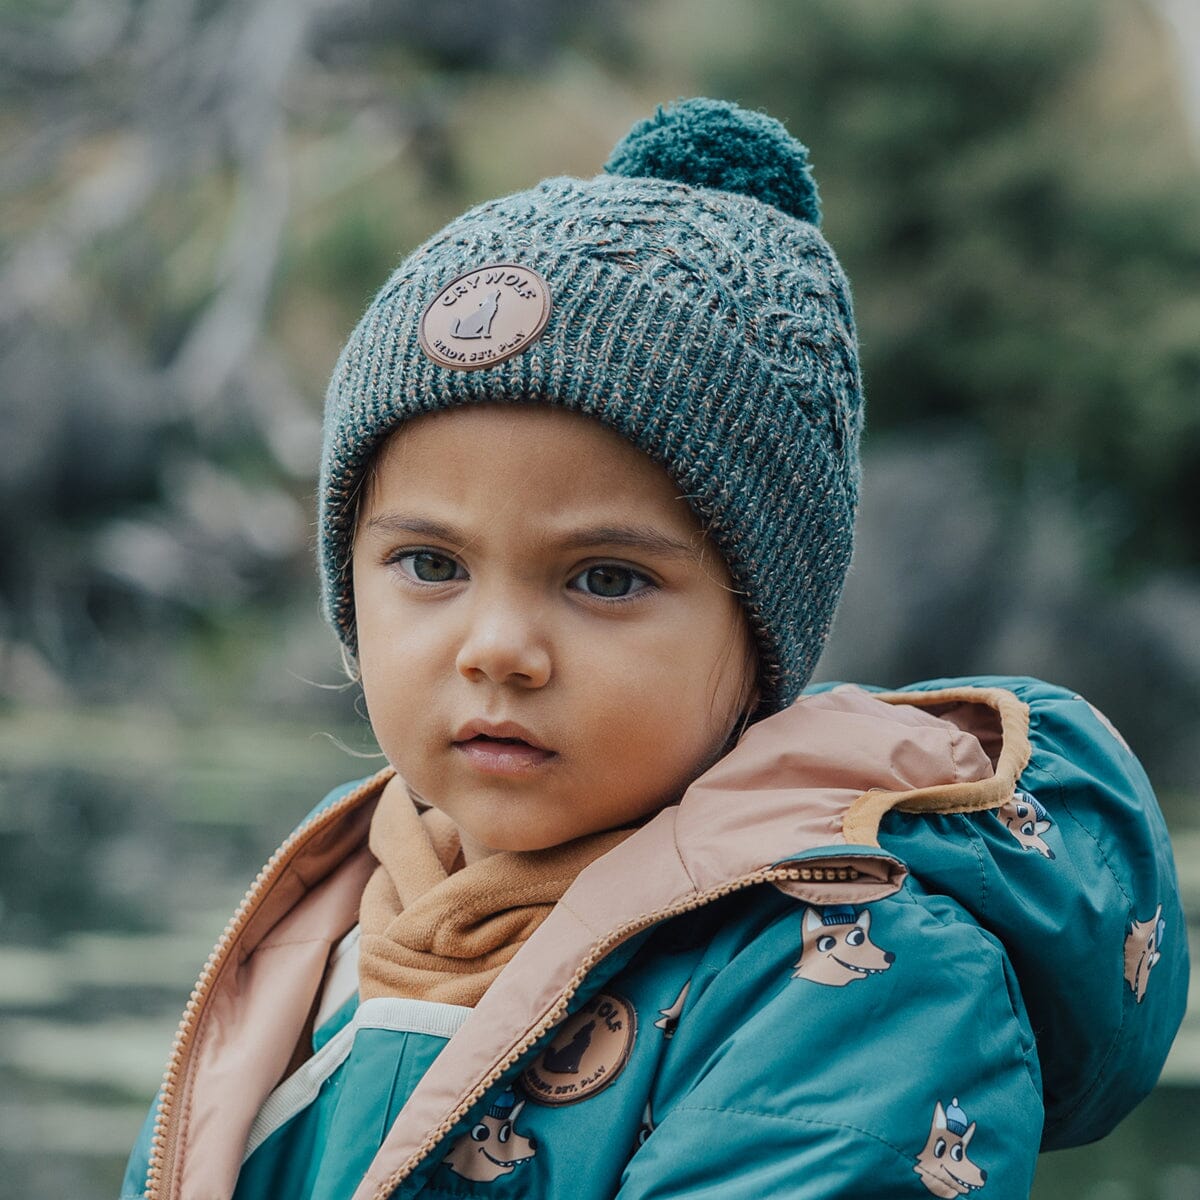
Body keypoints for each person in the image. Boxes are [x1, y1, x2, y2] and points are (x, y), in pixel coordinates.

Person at [120, 98, 1187, 1200]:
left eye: (606, 579)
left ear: (761, 628)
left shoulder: (861, 979)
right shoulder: (327, 900)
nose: (498, 649)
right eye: (431, 564)